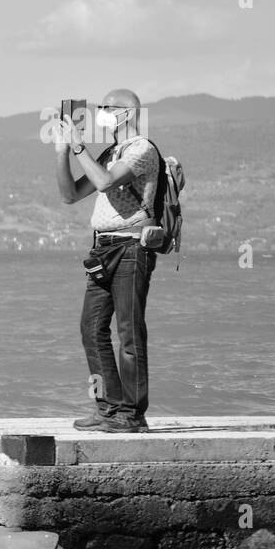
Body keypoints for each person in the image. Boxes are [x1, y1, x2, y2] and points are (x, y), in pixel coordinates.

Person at [55, 88, 161, 434]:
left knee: (129, 333)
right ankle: (108, 408)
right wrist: (62, 151)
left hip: (132, 249)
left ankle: (131, 414)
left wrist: (78, 147)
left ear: (127, 113)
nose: (99, 113)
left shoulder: (142, 149)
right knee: (91, 329)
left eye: (106, 108)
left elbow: (103, 183)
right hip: (103, 250)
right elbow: (70, 196)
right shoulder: (109, 152)